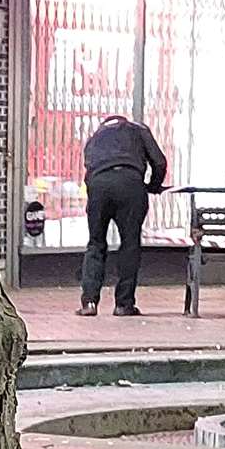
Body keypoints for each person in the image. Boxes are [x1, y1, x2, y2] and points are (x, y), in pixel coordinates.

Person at [77, 114, 167, 316]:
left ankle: (89, 302)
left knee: (96, 243)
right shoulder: (139, 130)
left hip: (99, 185)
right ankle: (123, 304)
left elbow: (89, 167)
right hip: (130, 184)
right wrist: (153, 186)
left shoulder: (96, 137)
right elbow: (159, 162)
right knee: (130, 243)